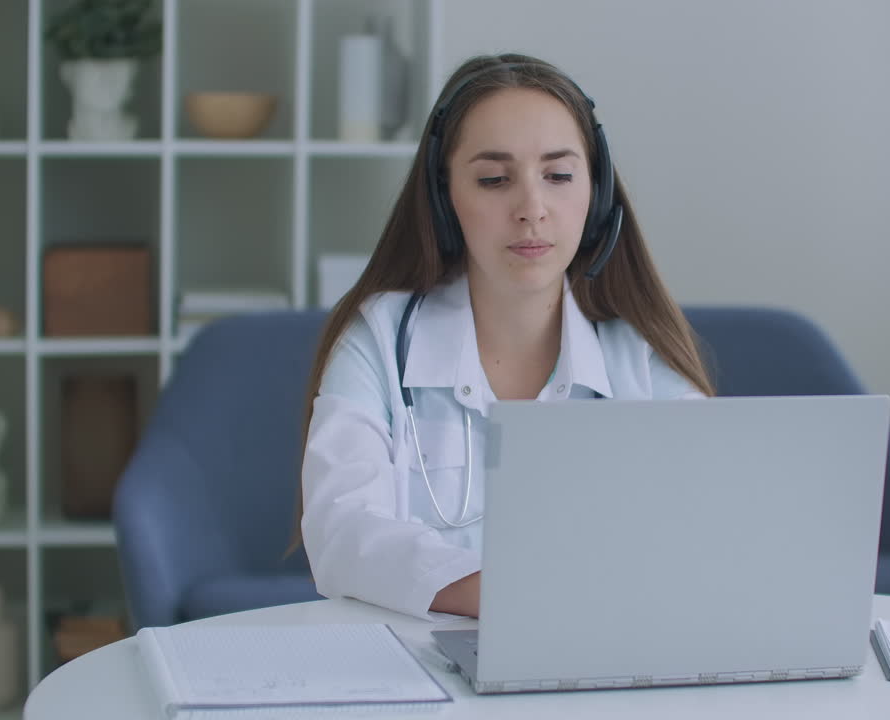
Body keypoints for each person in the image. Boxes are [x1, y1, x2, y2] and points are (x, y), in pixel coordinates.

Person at [297, 53, 714, 620]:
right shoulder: (377, 336)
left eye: (560, 176)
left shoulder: (638, 353)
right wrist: (515, 598)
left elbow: (709, 526)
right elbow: (341, 532)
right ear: (444, 199)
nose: (532, 210)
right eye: (494, 179)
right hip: (423, 676)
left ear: (597, 195)